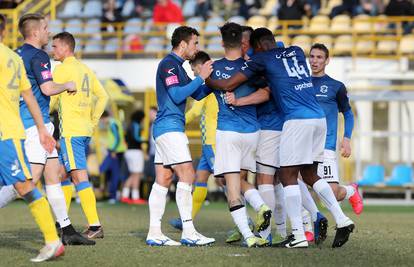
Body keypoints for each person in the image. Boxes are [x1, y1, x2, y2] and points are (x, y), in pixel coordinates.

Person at [206, 27, 355, 248]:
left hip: (296, 120)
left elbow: (229, 84)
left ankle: (297, 235)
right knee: (309, 173)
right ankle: (342, 220)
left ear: (256, 46)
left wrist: (207, 80)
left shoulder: (261, 59)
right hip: (318, 119)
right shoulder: (295, 51)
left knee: (286, 175)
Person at [0, 13, 94, 246]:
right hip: (34, 126)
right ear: (35, 32)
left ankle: (67, 229)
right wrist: (68, 85)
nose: (48, 32)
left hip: (32, 123)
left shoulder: (16, 54)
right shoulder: (39, 55)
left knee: (55, 176)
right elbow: (48, 88)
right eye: (45, 28)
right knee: (25, 183)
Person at [0, 13, 64, 262]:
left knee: (25, 184)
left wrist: (42, 130)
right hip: (14, 130)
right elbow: (29, 97)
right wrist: (42, 129)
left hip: (6, 133)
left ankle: (52, 240)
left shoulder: (14, 57)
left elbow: (32, 96)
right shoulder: (14, 59)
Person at [146, 25, 215, 246]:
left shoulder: (179, 67)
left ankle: (154, 233)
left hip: (167, 129)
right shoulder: (168, 64)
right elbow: (176, 95)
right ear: (183, 44)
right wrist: (200, 77)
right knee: (188, 174)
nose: (197, 47)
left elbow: (198, 93)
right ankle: (189, 231)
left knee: (164, 179)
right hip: (169, 128)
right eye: (195, 43)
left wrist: (215, 82)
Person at [51, 31, 109, 239]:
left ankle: (95, 226)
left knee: (78, 176)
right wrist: (92, 121)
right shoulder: (85, 69)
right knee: (63, 174)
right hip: (84, 131)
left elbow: (51, 99)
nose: (52, 50)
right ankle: (61, 222)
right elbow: (103, 96)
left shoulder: (61, 70)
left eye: (55, 46)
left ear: (66, 48)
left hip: (71, 132)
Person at [309, 43, 363, 214]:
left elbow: (348, 114)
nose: (314, 61)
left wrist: (346, 139)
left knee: (329, 193)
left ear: (327, 61)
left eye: (319, 57)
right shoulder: (301, 85)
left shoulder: (336, 86)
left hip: (326, 146)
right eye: (312, 56)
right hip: (303, 144)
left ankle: (350, 191)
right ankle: (307, 228)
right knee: (294, 185)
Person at [169, 51, 218, 230]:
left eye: (193, 68)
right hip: (209, 142)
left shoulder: (208, 86)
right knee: (201, 179)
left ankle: (244, 218)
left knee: (226, 181)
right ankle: (186, 220)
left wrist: (177, 121)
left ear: (201, 66)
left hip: (213, 142)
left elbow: (195, 112)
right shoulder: (216, 82)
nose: (192, 73)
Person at [99, 111, 127, 204]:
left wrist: (113, 150)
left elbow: (117, 138)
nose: (101, 122)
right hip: (116, 151)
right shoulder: (114, 123)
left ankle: (112, 196)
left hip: (115, 152)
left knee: (104, 171)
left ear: (104, 118)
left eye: (101, 120)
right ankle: (112, 195)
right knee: (110, 173)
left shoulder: (112, 124)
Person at [121, 110, 148, 204]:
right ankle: (135, 197)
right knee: (137, 174)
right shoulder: (136, 125)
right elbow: (136, 137)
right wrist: (145, 140)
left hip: (128, 151)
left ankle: (124, 196)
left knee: (132, 175)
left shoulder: (129, 125)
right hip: (136, 152)